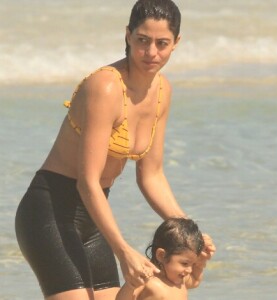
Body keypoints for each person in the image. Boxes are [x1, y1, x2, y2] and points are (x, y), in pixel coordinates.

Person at [15, 0, 215, 299]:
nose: (151, 53)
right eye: (142, 41)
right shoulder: (106, 87)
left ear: (176, 43)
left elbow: (151, 176)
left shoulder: (162, 91)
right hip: (50, 213)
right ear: (127, 35)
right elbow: (88, 182)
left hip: (94, 217)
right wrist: (123, 251)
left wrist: (192, 237)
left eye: (162, 43)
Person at [116, 218, 215, 300]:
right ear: (161, 255)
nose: (189, 270)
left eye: (192, 264)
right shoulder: (151, 282)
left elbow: (195, 281)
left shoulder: (180, 281)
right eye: (185, 263)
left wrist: (202, 260)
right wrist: (131, 284)